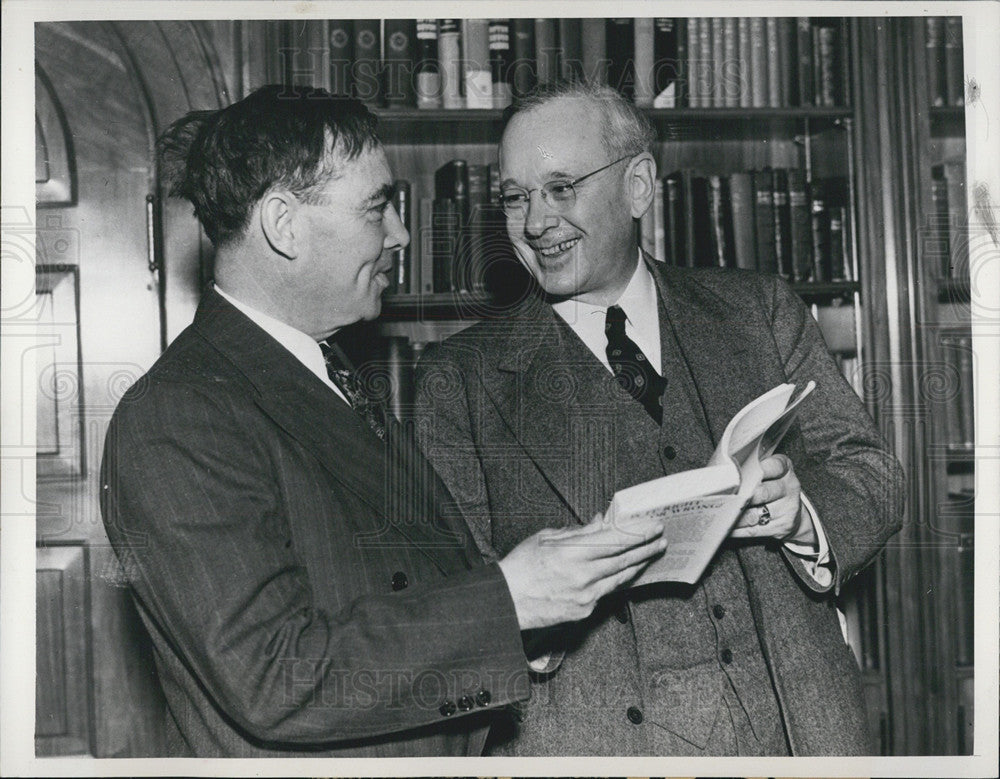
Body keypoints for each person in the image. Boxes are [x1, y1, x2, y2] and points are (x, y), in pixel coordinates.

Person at [98, 85, 670, 758]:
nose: (400, 232)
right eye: (378, 207)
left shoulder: (326, 370)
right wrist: (509, 599)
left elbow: (405, 589)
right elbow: (278, 676)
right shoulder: (177, 417)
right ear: (284, 225)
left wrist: (537, 611)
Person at [414, 81, 905, 756]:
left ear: (639, 185)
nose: (533, 222)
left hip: (798, 741)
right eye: (514, 196)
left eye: (561, 188)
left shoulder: (758, 311)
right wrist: (536, 614)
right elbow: (453, 606)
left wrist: (802, 513)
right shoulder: (457, 381)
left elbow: (870, 472)